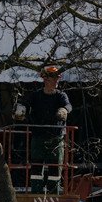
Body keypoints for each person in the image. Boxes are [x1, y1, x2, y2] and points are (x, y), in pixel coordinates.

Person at [14, 65, 71, 193]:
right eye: (53, 79)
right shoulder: (36, 96)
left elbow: (68, 105)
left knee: (55, 168)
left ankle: (54, 194)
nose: (56, 82)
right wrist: (21, 109)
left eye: (57, 79)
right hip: (38, 136)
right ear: (45, 80)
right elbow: (25, 103)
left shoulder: (61, 96)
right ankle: (36, 192)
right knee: (36, 168)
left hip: (56, 138)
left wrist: (64, 110)